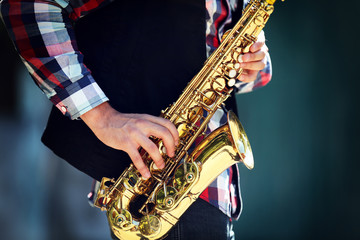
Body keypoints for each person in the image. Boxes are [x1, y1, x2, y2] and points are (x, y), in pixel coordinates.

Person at [0, 0, 272, 239]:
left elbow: (242, 70)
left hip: (209, 193)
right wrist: (101, 116)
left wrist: (254, 63)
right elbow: (27, 6)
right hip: (157, 190)